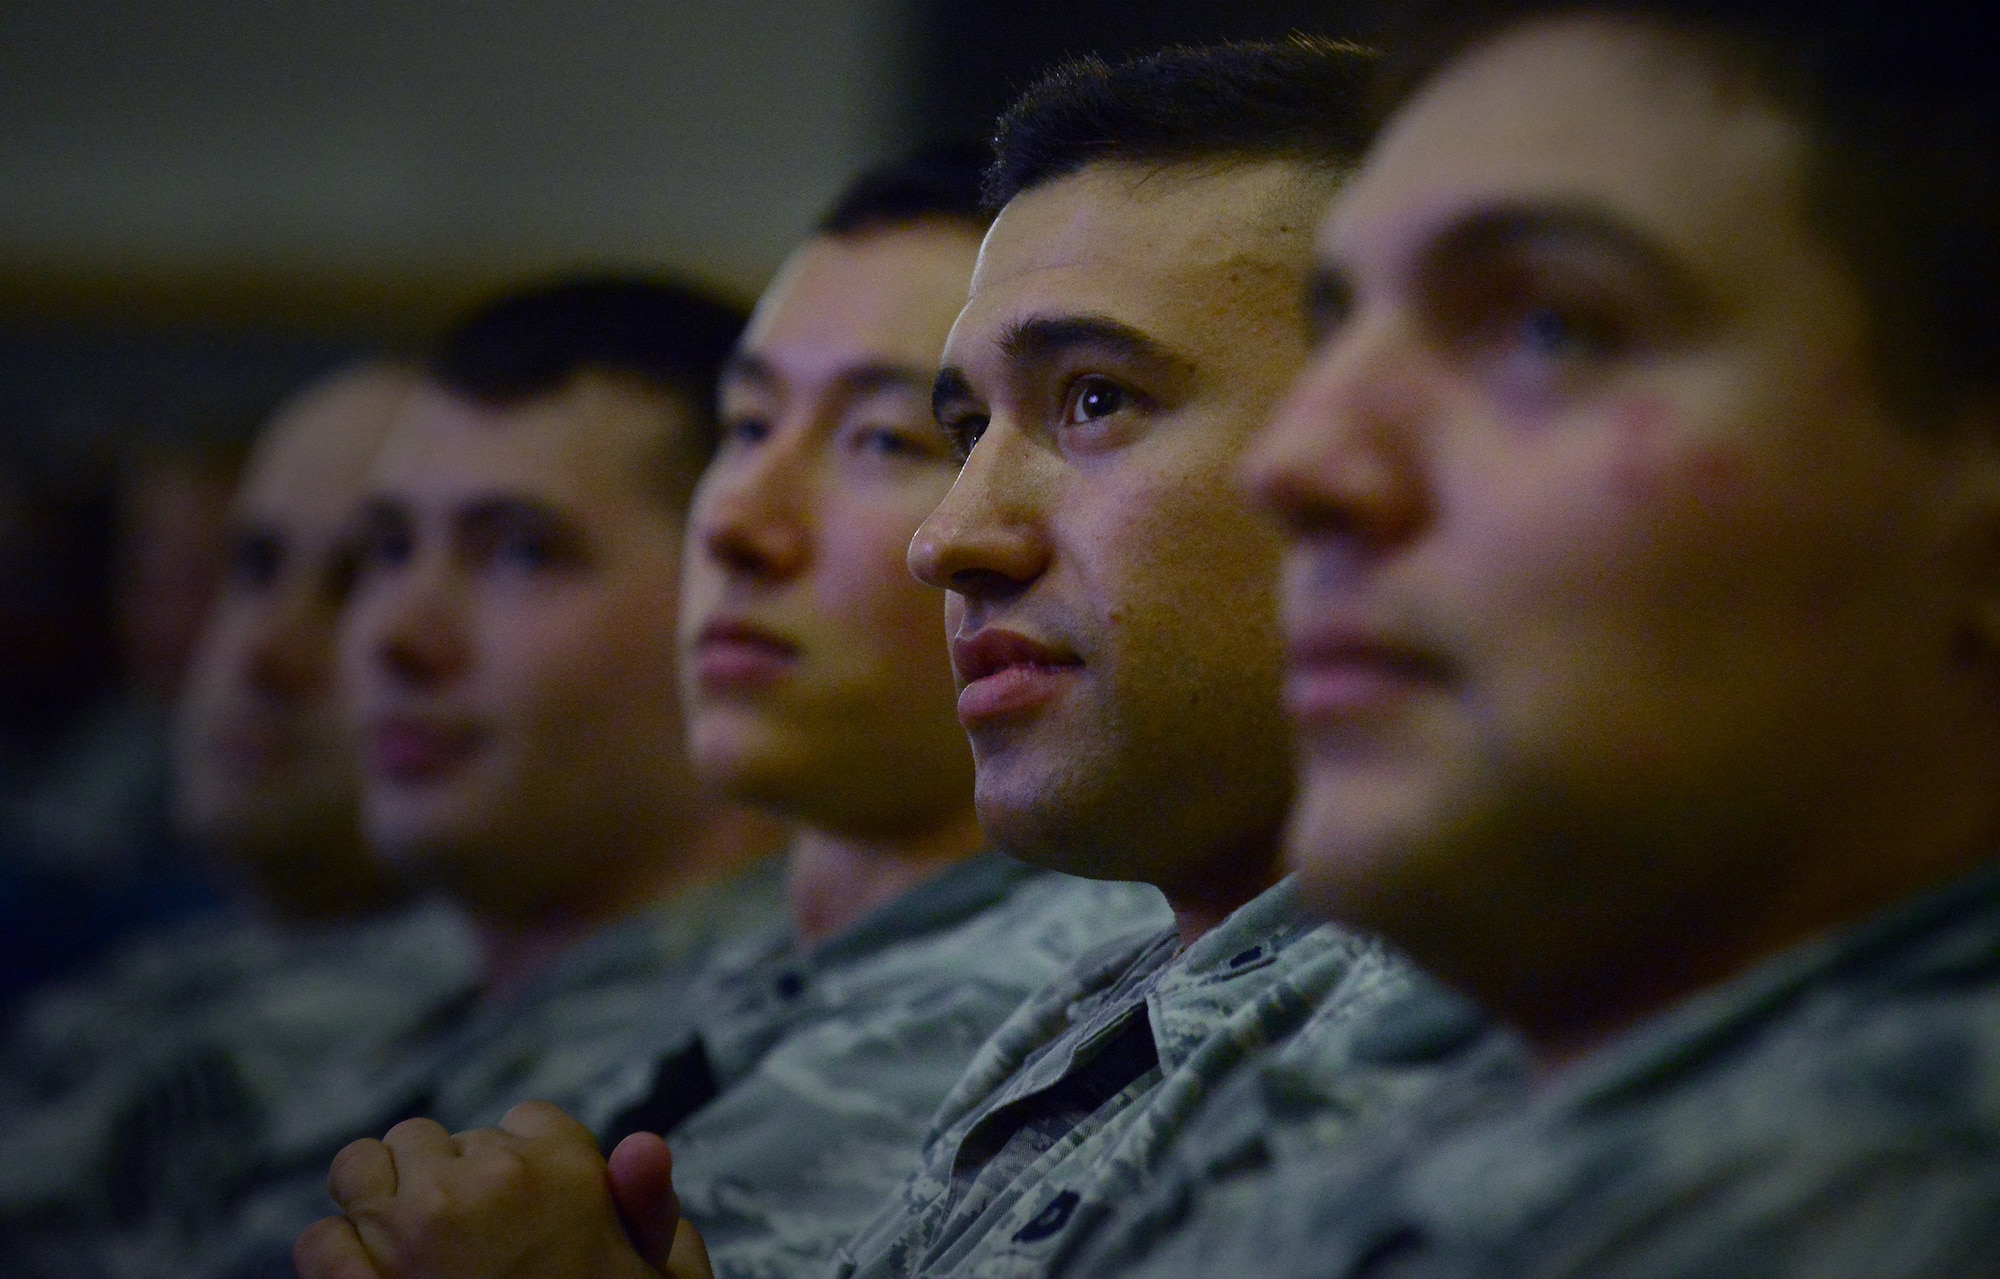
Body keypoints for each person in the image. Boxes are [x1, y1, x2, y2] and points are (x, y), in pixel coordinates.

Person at [296, 43, 1498, 1279]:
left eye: (1092, 399)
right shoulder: (1091, 1012)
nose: (951, 536)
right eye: (961, 429)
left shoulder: (1469, 1058)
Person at [1096, 2, 2000, 1276]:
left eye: (1546, 328)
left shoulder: (1887, 1204)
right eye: (1339, 330)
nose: (1297, 465)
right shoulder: (1501, 1076)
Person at [290, 148, 1167, 1279]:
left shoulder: (1048, 1026)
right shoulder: (743, 980)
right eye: (745, 427)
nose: (738, 521)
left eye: (887, 439)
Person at [183, 278, 792, 1279]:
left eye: (518, 552)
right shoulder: (398, 1003)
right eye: (388, 548)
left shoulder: (765, 1081)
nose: (391, 635)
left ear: (733, 601)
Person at [0, 362, 480, 1276]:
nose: (262, 650)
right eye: (251, 566)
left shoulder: (449, 1082)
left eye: (360, 583)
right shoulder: (160, 959)